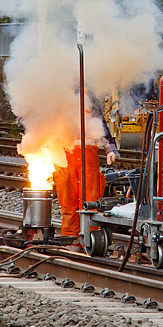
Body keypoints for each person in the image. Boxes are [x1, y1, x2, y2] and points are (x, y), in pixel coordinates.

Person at [53, 96, 118, 240]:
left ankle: (89, 239)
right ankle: (72, 240)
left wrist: (109, 147)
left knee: (90, 200)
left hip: (83, 152)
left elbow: (99, 122)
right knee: (69, 200)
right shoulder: (57, 93)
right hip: (65, 152)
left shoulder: (89, 96)